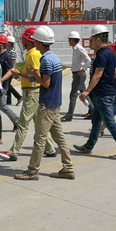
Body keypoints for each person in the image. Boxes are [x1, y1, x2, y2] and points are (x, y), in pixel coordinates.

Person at [14, 26, 74, 181]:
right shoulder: (54, 57)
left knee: (39, 139)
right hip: (55, 104)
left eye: (35, 41)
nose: (33, 43)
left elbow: (46, 83)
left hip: (46, 105)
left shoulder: (46, 60)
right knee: (59, 137)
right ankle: (68, 168)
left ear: (39, 42)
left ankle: (32, 171)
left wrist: (34, 73)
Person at [73, 25, 116, 160]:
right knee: (96, 121)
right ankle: (88, 146)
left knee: (110, 123)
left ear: (98, 40)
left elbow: (98, 74)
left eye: (91, 40)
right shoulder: (110, 53)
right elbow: (115, 73)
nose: (90, 43)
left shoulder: (101, 54)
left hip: (103, 95)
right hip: (105, 92)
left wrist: (87, 91)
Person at [0, 28, 56, 162]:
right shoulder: (31, 53)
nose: (21, 40)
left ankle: (14, 152)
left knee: (23, 123)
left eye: (23, 38)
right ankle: (50, 149)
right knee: (38, 122)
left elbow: (36, 76)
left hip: (32, 92)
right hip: (31, 92)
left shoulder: (33, 54)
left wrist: (18, 74)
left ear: (29, 40)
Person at [62, 31, 91, 122]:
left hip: (79, 75)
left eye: (69, 39)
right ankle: (93, 111)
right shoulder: (75, 48)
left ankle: (69, 115)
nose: (68, 41)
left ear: (73, 40)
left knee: (73, 95)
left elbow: (88, 60)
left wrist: (82, 69)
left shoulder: (79, 48)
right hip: (77, 74)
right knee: (84, 92)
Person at [0, 35, 19, 130]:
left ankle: (17, 120)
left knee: (2, 105)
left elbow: (10, 71)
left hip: (3, 85)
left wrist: (2, 80)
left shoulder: (6, 56)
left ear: (1, 45)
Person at [6, 35, 22, 106]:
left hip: (10, 70)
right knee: (7, 85)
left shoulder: (12, 51)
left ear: (9, 43)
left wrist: (9, 69)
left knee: (7, 85)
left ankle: (18, 96)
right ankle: (8, 101)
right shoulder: (8, 50)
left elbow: (13, 61)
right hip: (9, 69)